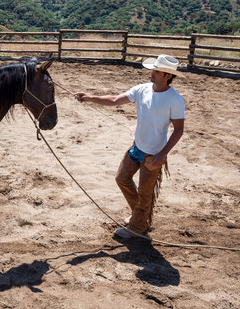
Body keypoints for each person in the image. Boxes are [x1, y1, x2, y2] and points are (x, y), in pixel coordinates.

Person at [74, 54, 186, 239]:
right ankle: (140, 217)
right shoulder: (142, 89)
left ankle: (137, 228)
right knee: (122, 178)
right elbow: (115, 100)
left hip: (154, 154)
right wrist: (88, 98)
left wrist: (163, 154)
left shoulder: (175, 100)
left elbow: (179, 130)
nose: (152, 73)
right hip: (137, 147)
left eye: (157, 71)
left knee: (144, 193)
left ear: (167, 76)